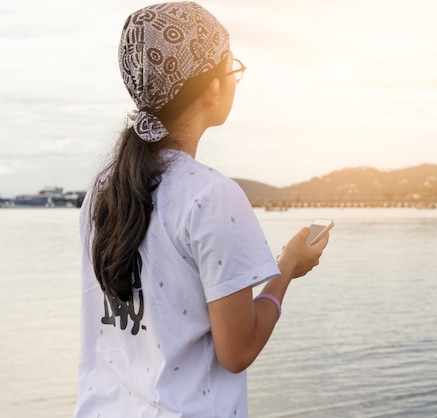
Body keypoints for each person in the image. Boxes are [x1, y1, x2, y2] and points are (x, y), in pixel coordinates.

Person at [72, 2, 329, 417]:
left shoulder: (102, 191)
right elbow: (238, 350)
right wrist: (286, 269)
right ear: (212, 86)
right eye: (233, 68)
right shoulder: (211, 196)